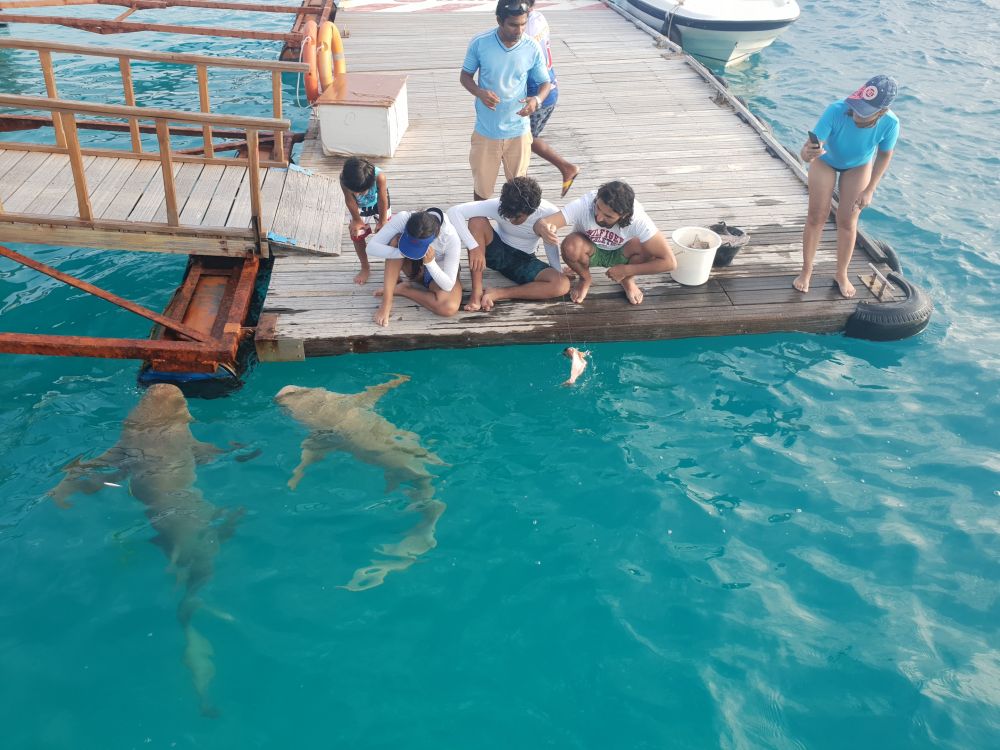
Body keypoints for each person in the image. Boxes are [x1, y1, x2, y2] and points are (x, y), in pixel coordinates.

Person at [795, 75, 900, 298]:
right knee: (817, 216)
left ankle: (841, 273)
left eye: (864, 111)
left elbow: (884, 155)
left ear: (881, 112)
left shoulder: (891, 123)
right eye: (856, 106)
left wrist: (870, 188)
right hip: (826, 161)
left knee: (848, 220)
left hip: (859, 166)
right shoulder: (836, 110)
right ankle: (806, 270)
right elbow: (810, 149)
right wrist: (807, 153)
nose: (857, 114)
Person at [460, 0, 552, 200]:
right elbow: (465, 76)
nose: (519, 30)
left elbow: (546, 83)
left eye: (523, 24)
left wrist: (535, 100)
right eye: (513, 25)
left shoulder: (532, 46)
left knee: (519, 194)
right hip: (486, 132)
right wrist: (480, 92)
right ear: (499, 21)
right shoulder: (480, 43)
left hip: (519, 133)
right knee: (481, 192)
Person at [535, 180, 676, 305]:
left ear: (624, 215)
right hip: (590, 250)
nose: (599, 217)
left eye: (608, 216)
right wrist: (543, 227)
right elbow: (543, 224)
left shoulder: (639, 219)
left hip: (622, 251)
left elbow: (670, 262)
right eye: (598, 207)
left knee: (648, 248)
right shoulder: (585, 203)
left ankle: (627, 280)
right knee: (570, 246)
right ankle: (585, 279)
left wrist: (627, 270)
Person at [447, 176, 570, 312]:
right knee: (477, 220)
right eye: (507, 215)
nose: (511, 219)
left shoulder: (549, 212)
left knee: (562, 284)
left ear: (532, 209)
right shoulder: (499, 204)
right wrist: (473, 246)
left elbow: (550, 243)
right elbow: (453, 212)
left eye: (516, 216)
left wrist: (557, 271)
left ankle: (497, 293)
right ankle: (476, 292)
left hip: (525, 260)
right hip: (496, 252)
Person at [366, 208, 463, 327]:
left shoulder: (451, 237)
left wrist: (430, 263)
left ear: (435, 236)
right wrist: (402, 253)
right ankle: (387, 300)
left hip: (437, 270)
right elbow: (370, 247)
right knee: (395, 241)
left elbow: (448, 285)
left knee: (449, 308)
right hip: (414, 268)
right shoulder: (404, 218)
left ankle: (404, 290)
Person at [524, 0, 579, 197]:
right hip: (549, 87)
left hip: (538, 93)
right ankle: (564, 168)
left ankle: (565, 167)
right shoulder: (539, 18)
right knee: (524, 140)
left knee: (522, 140)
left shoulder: (526, 31)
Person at [340, 157, 391, 285]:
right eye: (357, 191)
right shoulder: (344, 179)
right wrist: (356, 220)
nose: (359, 193)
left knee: (389, 234)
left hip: (379, 204)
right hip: (359, 207)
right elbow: (349, 200)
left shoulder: (380, 177)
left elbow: (382, 198)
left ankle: (391, 267)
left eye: (362, 191)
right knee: (356, 234)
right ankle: (365, 267)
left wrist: (383, 220)